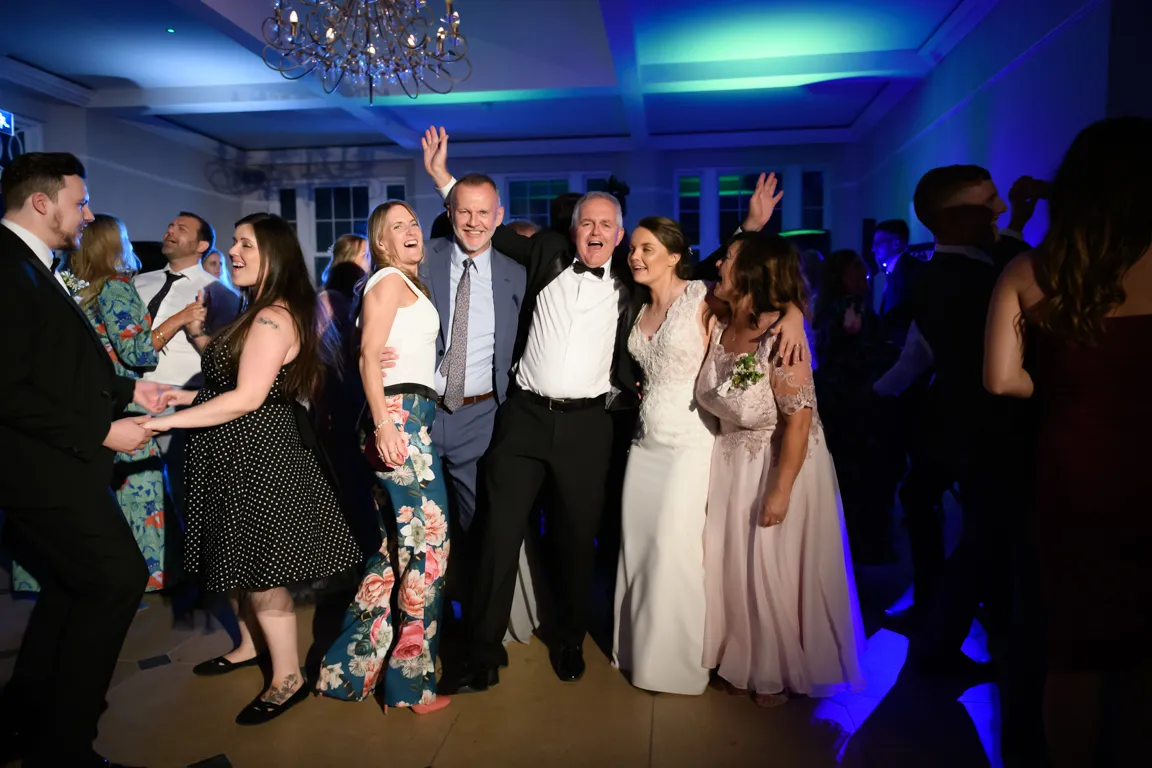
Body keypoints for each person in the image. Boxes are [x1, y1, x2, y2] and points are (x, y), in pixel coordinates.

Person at [147, 213, 362, 725]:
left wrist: (162, 423)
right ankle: (248, 646)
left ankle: (287, 678)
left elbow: (247, 398)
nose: (234, 252)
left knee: (263, 575)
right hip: (235, 452)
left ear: (274, 255)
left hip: (260, 457)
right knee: (236, 560)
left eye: (246, 244)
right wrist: (180, 393)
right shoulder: (256, 310)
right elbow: (232, 382)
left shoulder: (272, 317)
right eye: (235, 242)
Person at [984, 117, 1152, 768]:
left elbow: (1001, 380)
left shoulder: (1029, 270)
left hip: (1072, 473)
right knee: (1141, 653)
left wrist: (1060, 385)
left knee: (1074, 651)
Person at [0, 152, 167, 768]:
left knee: (72, 586)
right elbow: (8, 389)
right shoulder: (7, 267)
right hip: (41, 471)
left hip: (54, 465)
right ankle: (64, 747)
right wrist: (102, 430)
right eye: (81, 201)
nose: (89, 214)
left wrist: (131, 391)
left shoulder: (29, 264)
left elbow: (53, 368)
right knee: (116, 579)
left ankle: (24, 721)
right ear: (41, 202)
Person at [695, 231, 864, 708]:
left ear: (753, 272)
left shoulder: (782, 337)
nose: (718, 265)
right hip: (731, 462)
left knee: (770, 565)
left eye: (729, 259)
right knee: (735, 567)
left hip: (778, 461)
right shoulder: (719, 320)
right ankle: (739, 656)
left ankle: (772, 665)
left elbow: (799, 420)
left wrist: (781, 490)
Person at [11, 214, 202, 594]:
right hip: (123, 404)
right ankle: (139, 581)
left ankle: (61, 578)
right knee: (140, 495)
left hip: (80, 404)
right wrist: (181, 319)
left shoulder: (67, 285)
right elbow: (138, 351)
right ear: (115, 244)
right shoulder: (116, 285)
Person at [317, 201, 453, 715]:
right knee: (429, 550)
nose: (411, 229)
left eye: (413, 222)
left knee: (392, 553)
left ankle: (347, 671)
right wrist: (383, 423)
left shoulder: (400, 283)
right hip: (397, 419)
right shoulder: (388, 281)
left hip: (405, 416)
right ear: (381, 242)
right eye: (398, 226)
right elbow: (367, 355)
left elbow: (373, 349)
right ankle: (411, 686)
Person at [611, 217, 717, 695]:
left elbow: (761, 313)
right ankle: (637, 651)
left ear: (675, 256)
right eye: (633, 249)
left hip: (690, 442)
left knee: (675, 550)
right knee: (638, 547)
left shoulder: (703, 297)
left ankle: (677, 663)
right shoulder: (637, 305)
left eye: (647, 249)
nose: (635, 257)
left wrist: (794, 317)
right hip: (644, 443)